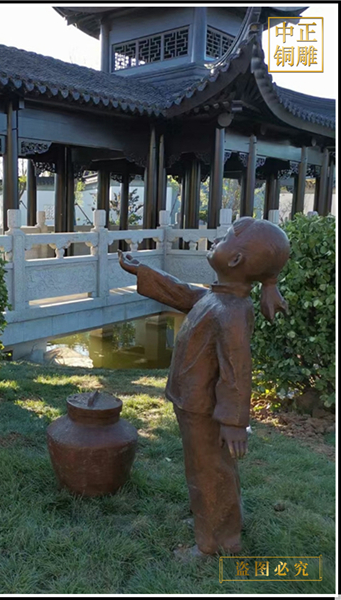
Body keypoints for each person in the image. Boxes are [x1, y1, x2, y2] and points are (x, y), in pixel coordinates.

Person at [119, 217, 290, 559]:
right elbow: (183, 293)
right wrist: (142, 271)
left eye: (224, 239)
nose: (216, 241)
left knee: (209, 471)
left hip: (205, 407)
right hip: (193, 401)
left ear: (236, 259)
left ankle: (216, 542)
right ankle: (216, 520)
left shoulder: (233, 311)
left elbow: (237, 371)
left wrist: (234, 422)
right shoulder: (218, 297)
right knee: (208, 467)